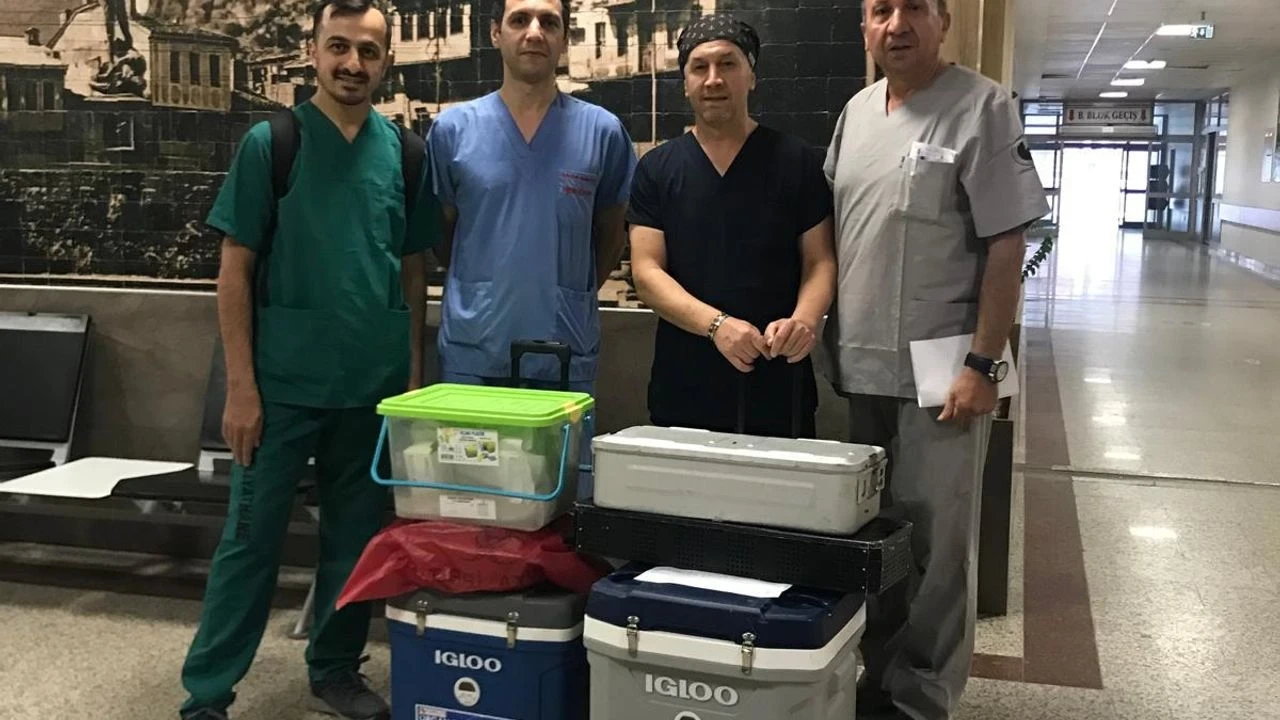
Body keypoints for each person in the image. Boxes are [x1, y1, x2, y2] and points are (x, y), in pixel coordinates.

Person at [178, 1, 441, 718]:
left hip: (371, 388)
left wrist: (411, 381)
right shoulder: (274, 143)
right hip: (281, 389)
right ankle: (208, 693)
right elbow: (234, 270)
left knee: (355, 542)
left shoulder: (407, 153)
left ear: (386, 62)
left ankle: (334, 669)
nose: (352, 63)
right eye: (339, 47)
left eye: (368, 51)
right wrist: (241, 389)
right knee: (249, 543)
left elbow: (412, 268)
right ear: (313, 52)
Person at [823, 0, 1049, 718]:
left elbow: (1007, 245)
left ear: (943, 21)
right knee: (877, 537)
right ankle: (878, 681)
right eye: (881, 10)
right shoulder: (856, 113)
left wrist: (983, 365)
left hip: (943, 370)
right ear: (865, 27)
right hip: (860, 365)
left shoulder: (983, 108)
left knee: (937, 545)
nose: (897, 24)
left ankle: (922, 698)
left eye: (914, 7)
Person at [627, 14, 836, 437]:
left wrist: (804, 321)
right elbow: (647, 272)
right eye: (699, 67)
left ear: (751, 77)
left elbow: (820, 262)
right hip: (685, 381)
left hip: (778, 374)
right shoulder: (658, 169)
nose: (713, 79)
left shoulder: (795, 162)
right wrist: (717, 326)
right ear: (685, 83)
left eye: (728, 64)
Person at [426, 0, 637, 396]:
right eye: (520, 20)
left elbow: (611, 233)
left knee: (559, 442)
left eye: (549, 22)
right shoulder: (452, 131)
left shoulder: (602, 133)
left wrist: (568, 292)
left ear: (564, 38)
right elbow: (443, 232)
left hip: (563, 350)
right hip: (475, 352)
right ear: (496, 33)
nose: (534, 32)